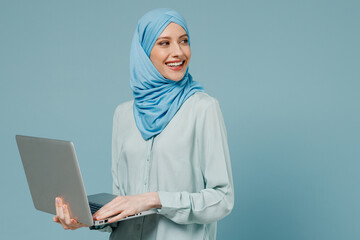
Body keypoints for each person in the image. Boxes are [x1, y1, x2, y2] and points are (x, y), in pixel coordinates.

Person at [53, 8, 234, 240]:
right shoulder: (123, 114)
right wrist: (88, 219)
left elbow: (222, 199)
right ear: (144, 50)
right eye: (164, 43)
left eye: (184, 41)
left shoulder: (203, 108)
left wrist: (153, 199)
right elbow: (123, 204)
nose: (178, 52)